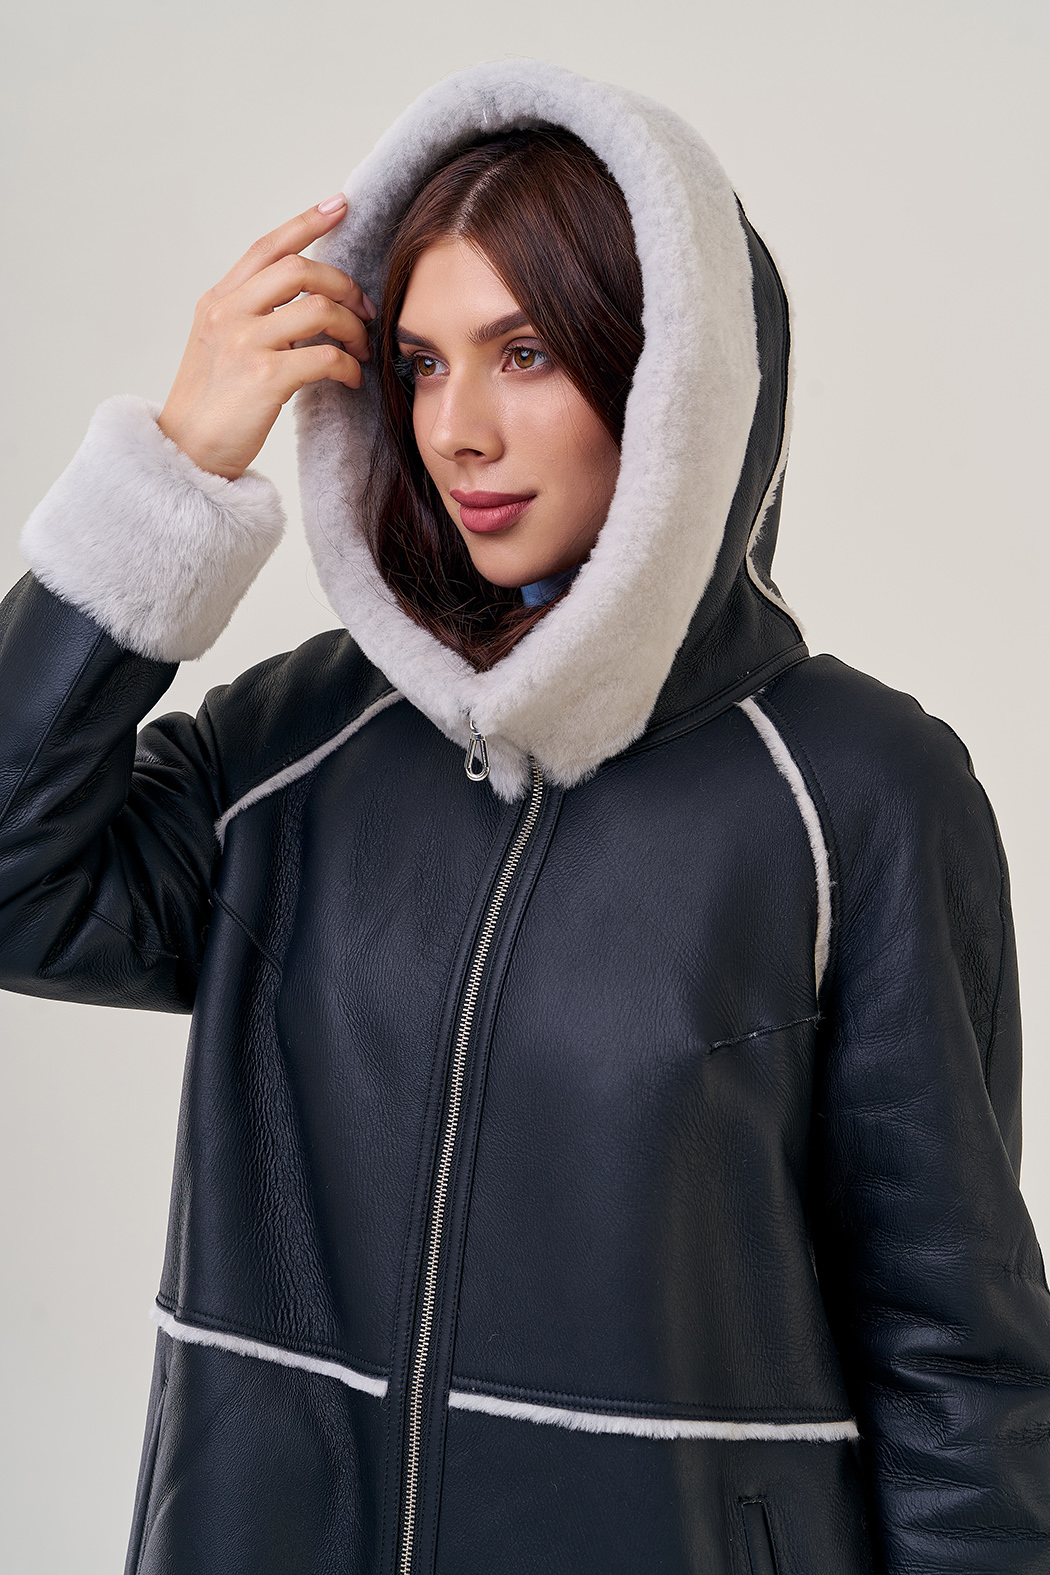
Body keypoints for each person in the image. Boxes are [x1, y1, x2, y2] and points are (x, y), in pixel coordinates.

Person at [1, 55, 1048, 1575]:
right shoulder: (304, 740)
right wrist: (171, 473)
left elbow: (954, 1363)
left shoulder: (859, 791)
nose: (458, 430)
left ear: (674, 373)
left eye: (527, 353)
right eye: (420, 364)